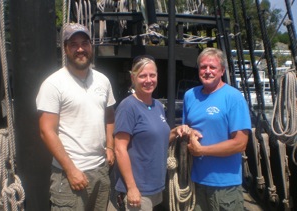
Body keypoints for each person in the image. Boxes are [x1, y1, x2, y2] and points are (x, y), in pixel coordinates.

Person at [36, 23, 116, 211]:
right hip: (69, 174)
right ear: (65, 48)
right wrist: (71, 170)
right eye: (73, 44)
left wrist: (110, 147)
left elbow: (109, 116)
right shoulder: (53, 84)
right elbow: (46, 131)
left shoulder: (103, 81)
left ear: (91, 46)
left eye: (84, 43)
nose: (80, 49)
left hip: (100, 171)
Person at [113, 55, 190, 210]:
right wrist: (132, 188)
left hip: (155, 186)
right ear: (133, 78)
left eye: (152, 75)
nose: (148, 80)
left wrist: (176, 131)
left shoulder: (157, 106)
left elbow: (157, 139)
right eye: (142, 76)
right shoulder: (128, 107)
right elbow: (119, 149)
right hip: (137, 189)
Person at [183, 47, 251, 210]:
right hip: (197, 181)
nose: (207, 71)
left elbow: (240, 144)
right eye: (203, 67)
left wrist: (203, 150)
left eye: (212, 67)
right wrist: (188, 132)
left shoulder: (233, 97)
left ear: (222, 71)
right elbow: (187, 128)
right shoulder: (190, 96)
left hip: (225, 186)